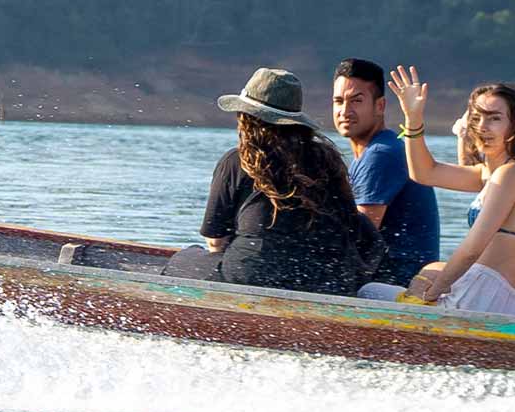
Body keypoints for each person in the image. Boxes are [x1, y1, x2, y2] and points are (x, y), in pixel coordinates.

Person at [163, 68, 383, 296]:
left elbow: (215, 241)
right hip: (330, 281)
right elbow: (350, 226)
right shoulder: (328, 159)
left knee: (185, 258)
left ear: (248, 118)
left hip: (252, 276)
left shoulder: (236, 161)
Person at [384, 67, 515, 317]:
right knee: (430, 269)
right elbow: (425, 173)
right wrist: (413, 119)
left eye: (494, 118)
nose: (483, 127)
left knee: (371, 292)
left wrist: (429, 299)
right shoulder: (488, 173)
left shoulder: (512, 174)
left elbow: (471, 250)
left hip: (488, 298)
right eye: (477, 118)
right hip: (490, 295)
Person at [331, 58, 441, 284]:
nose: (345, 111)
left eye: (356, 101)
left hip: (396, 288)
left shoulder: (382, 154)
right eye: (338, 101)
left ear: (379, 106)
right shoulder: (376, 150)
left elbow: (361, 239)